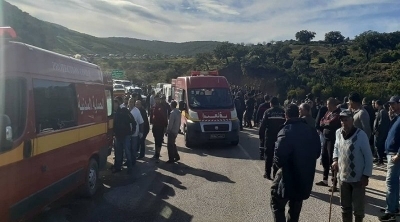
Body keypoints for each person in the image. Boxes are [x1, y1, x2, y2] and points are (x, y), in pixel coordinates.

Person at [270, 104, 321, 222]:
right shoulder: (311, 131)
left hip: (288, 176)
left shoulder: (285, 131)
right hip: (305, 176)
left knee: (276, 201)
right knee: (295, 208)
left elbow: (278, 159)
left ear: (286, 115)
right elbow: (317, 153)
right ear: (298, 114)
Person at [332, 110, 373, 222]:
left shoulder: (361, 135)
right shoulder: (338, 133)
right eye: (342, 120)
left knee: (358, 209)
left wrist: (366, 175)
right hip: (343, 176)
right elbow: (336, 148)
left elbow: (368, 157)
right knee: (345, 207)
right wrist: (335, 160)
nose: (344, 122)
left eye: (346, 120)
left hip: (358, 178)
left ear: (352, 120)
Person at [379, 96, 400, 221]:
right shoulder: (396, 117)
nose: (391, 106)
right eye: (390, 104)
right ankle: (394, 207)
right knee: (395, 182)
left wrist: (398, 154)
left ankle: (390, 211)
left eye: (393, 104)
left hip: (395, 154)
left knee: (391, 182)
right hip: (391, 153)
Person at [316, 98, 341, 192]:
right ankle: (325, 179)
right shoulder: (328, 112)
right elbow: (321, 121)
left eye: (328, 104)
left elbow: (331, 122)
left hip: (332, 139)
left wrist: (325, 122)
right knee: (324, 159)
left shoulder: (337, 113)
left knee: (332, 161)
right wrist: (325, 122)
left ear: (333, 104)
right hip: (325, 138)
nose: (327, 106)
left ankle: (334, 184)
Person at [259, 97, 285, 179]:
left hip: (269, 137)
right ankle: (275, 174)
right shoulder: (283, 112)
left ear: (271, 104)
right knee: (277, 155)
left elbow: (263, 126)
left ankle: (267, 173)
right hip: (280, 137)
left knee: (268, 155)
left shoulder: (268, 112)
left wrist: (261, 137)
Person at [113, 98, 136, 174]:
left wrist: (133, 131)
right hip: (118, 136)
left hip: (126, 135)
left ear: (118, 104)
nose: (114, 106)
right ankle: (118, 168)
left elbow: (133, 121)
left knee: (127, 152)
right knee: (118, 152)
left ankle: (130, 167)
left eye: (115, 104)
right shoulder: (113, 113)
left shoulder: (124, 111)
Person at [151, 95, 168, 161]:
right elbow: (152, 115)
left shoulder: (162, 107)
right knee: (156, 140)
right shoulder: (153, 106)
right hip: (155, 126)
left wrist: (165, 126)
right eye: (156, 99)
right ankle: (156, 153)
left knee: (159, 140)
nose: (157, 100)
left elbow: (164, 117)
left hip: (160, 126)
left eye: (158, 99)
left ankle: (158, 154)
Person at [373, 100, 390, 166]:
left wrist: (377, 131)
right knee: (378, 146)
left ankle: (380, 160)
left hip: (379, 133)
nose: (374, 105)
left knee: (378, 146)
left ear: (378, 104)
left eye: (375, 104)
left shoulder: (382, 111)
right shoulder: (381, 111)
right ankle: (380, 160)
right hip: (379, 133)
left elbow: (381, 123)